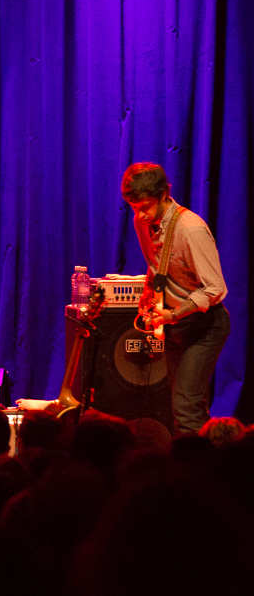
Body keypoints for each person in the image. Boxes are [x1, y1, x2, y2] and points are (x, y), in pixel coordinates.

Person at [121, 162, 229, 434]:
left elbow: (215, 288)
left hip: (205, 326)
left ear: (162, 196)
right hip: (175, 325)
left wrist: (171, 314)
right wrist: (148, 293)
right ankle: (202, 462)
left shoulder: (190, 229)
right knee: (185, 406)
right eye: (134, 208)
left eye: (144, 206)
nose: (140, 215)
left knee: (185, 405)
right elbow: (157, 266)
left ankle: (193, 472)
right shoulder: (141, 220)